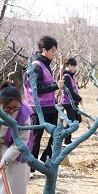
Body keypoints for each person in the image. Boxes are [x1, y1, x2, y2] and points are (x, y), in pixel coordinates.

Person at [23, 36, 64, 169]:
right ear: (44, 50)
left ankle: (47, 159)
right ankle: (30, 168)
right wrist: (55, 86)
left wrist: (56, 90)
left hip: (49, 107)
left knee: (57, 134)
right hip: (37, 108)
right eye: (52, 51)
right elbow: (37, 88)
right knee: (35, 138)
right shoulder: (36, 65)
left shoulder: (45, 65)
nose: (54, 54)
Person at [61, 57, 82, 144]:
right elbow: (69, 92)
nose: (74, 68)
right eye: (74, 66)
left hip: (73, 102)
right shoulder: (66, 76)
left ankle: (66, 136)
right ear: (69, 66)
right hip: (68, 102)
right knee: (71, 122)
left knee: (78, 119)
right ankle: (65, 138)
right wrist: (79, 98)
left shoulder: (70, 76)